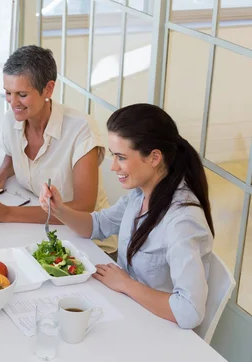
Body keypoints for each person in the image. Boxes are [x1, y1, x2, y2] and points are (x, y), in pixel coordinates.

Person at [39, 104, 214, 329]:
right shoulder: (140, 194)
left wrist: (125, 284)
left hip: (158, 328)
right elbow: (96, 226)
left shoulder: (182, 221)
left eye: (121, 157)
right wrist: (59, 209)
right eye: (113, 156)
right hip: (126, 309)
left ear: (154, 158)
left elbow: (190, 311)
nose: (113, 167)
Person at [0, 45, 116, 253]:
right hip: (42, 234)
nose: (13, 103)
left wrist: (8, 214)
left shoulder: (80, 129)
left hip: (89, 244)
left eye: (22, 94)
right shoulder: (11, 120)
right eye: (8, 93)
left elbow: (84, 207)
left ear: (48, 89)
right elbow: (13, 154)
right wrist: (2, 173)